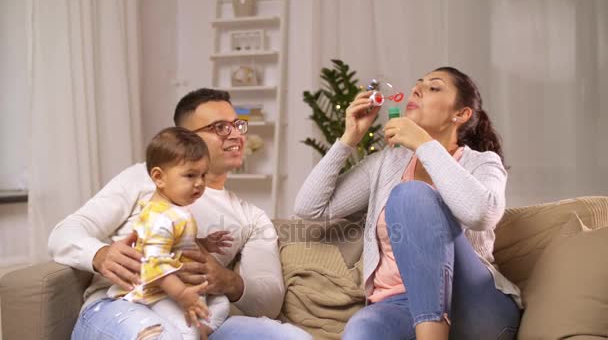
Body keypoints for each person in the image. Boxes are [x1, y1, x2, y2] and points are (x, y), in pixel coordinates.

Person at [48, 88, 312, 340]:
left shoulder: (251, 217)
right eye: (220, 127)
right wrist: (100, 255)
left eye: (238, 124)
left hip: (195, 317)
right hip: (121, 305)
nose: (235, 135)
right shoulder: (145, 177)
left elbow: (270, 301)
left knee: (291, 336)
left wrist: (226, 281)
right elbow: (64, 233)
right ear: (187, 137)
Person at [294, 67, 522, 340]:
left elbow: (481, 214)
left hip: (472, 304)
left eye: (434, 87)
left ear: (460, 114)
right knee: (361, 330)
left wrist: (424, 145)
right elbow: (309, 208)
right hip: (398, 306)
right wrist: (349, 137)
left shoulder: (481, 162)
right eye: (417, 85)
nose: (417, 89)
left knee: (410, 195)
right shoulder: (386, 163)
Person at [105, 126, 229, 340]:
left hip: (176, 288)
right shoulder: (160, 218)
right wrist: (182, 295)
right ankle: (192, 332)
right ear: (159, 177)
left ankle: (204, 329)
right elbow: (156, 263)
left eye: (203, 175)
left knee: (222, 302)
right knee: (186, 330)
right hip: (158, 293)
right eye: (190, 175)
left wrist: (205, 243)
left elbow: (177, 244)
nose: (199, 183)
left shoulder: (173, 211)